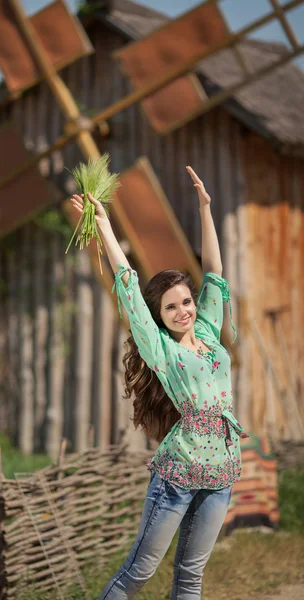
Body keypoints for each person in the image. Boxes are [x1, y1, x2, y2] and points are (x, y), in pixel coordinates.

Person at [69, 166, 248, 600]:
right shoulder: (162, 350)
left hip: (222, 474)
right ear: (160, 317)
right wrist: (106, 226)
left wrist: (205, 209)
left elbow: (215, 272)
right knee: (138, 572)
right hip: (178, 475)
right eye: (171, 307)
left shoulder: (207, 332)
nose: (184, 310)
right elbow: (127, 283)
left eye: (186, 302)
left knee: (190, 577)